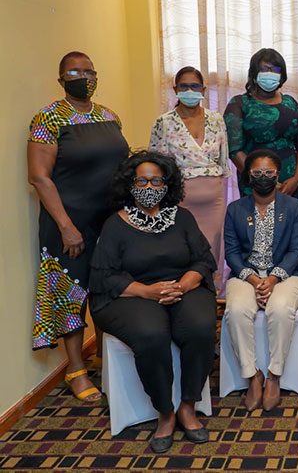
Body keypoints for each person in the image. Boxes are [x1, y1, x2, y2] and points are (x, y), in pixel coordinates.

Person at [89, 151, 217, 453]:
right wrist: (149, 292)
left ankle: (187, 404)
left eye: (156, 180)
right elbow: (105, 277)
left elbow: (203, 260)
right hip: (132, 293)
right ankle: (165, 412)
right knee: (151, 335)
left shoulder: (182, 218)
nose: (149, 187)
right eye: (142, 181)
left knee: (200, 327)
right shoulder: (115, 224)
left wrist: (182, 286)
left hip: (181, 287)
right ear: (130, 184)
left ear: (167, 183)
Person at [27, 51, 129, 403]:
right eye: (74, 71)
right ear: (61, 78)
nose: (83, 76)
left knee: (107, 289)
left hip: (110, 221)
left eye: (88, 70)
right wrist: (67, 226)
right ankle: (75, 370)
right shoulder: (48, 118)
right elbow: (39, 178)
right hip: (69, 224)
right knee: (73, 296)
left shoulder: (109, 116)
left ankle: (104, 356)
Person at [223, 149, 298, 412]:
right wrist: (252, 279)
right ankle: (252, 376)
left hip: (288, 274)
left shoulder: (294, 206)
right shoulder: (235, 209)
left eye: (268, 173)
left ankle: (274, 375)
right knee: (236, 310)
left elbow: (297, 250)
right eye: (257, 173)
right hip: (245, 274)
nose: (263, 177)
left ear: (278, 175)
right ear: (248, 176)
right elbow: (231, 252)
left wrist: (272, 279)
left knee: (280, 309)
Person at [150, 66, 229, 288]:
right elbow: (156, 166)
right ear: (175, 89)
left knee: (212, 254)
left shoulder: (216, 119)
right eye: (184, 86)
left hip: (213, 203)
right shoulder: (163, 122)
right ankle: (182, 298)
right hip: (179, 203)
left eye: (194, 86)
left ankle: (210, 300)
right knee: (183, 253)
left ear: (203, 89)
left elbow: (223, 161)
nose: (189, 90)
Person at [224, 48, 298, 198]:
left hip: (289, 186)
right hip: (255, 186)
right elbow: (234, 150)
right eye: (264, 69)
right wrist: (264, 181)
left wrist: (296, 179)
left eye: (275, 69)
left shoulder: (291, 103)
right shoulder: (239, 103)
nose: (270, 73)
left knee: (290, 221)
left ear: (282, 75)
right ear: (254, 74)